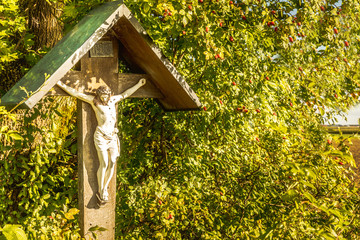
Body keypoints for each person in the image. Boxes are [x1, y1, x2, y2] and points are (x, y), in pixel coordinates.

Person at [57, 79, 146, 205]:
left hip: (113, 137)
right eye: (102, 96)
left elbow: (125, 94)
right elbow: (76, 94)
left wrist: (138, 84)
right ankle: (101, 189)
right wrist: (60, 83)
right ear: (99, 95)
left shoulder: (113, 100)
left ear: (109, 95)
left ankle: (105, 187)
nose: (104, 98)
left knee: (113, 162)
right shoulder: (94, 102)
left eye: (106, 96)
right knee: (104, 163)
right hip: (101, 136)